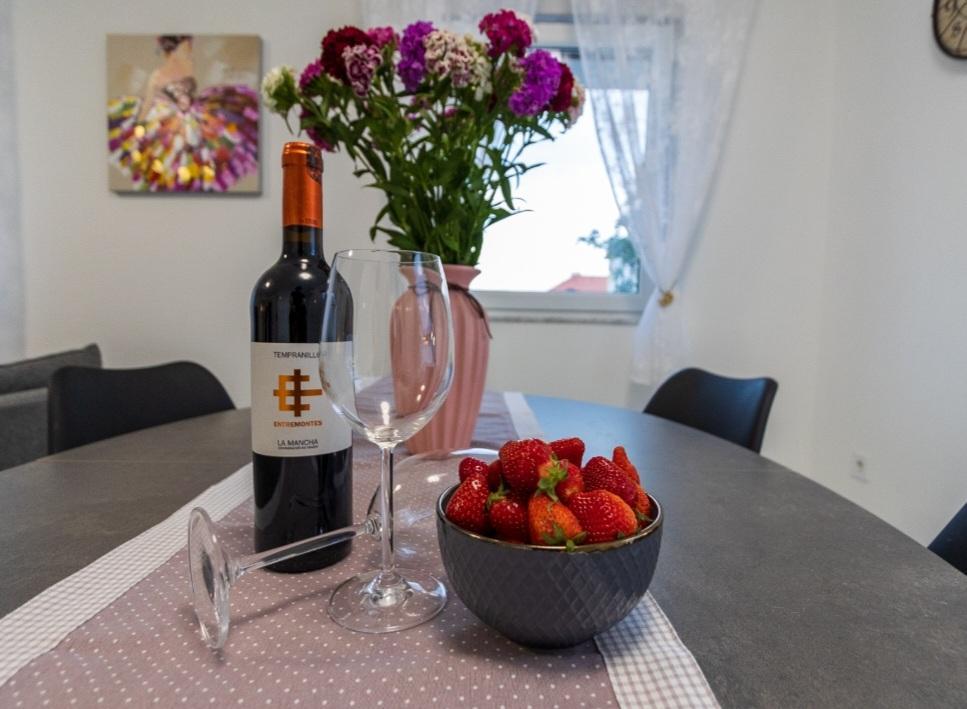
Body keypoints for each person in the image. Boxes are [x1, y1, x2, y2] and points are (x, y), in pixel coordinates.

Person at [108, 35, 259, 192]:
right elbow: (148, 102)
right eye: (185, 48)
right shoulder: (158, 75)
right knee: (173, 157)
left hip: (195, 112)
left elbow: (197, 86)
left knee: (215, 142)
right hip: (171, 118)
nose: (188, 52)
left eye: (188, 49)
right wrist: (139, 124)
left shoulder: (190, 64)